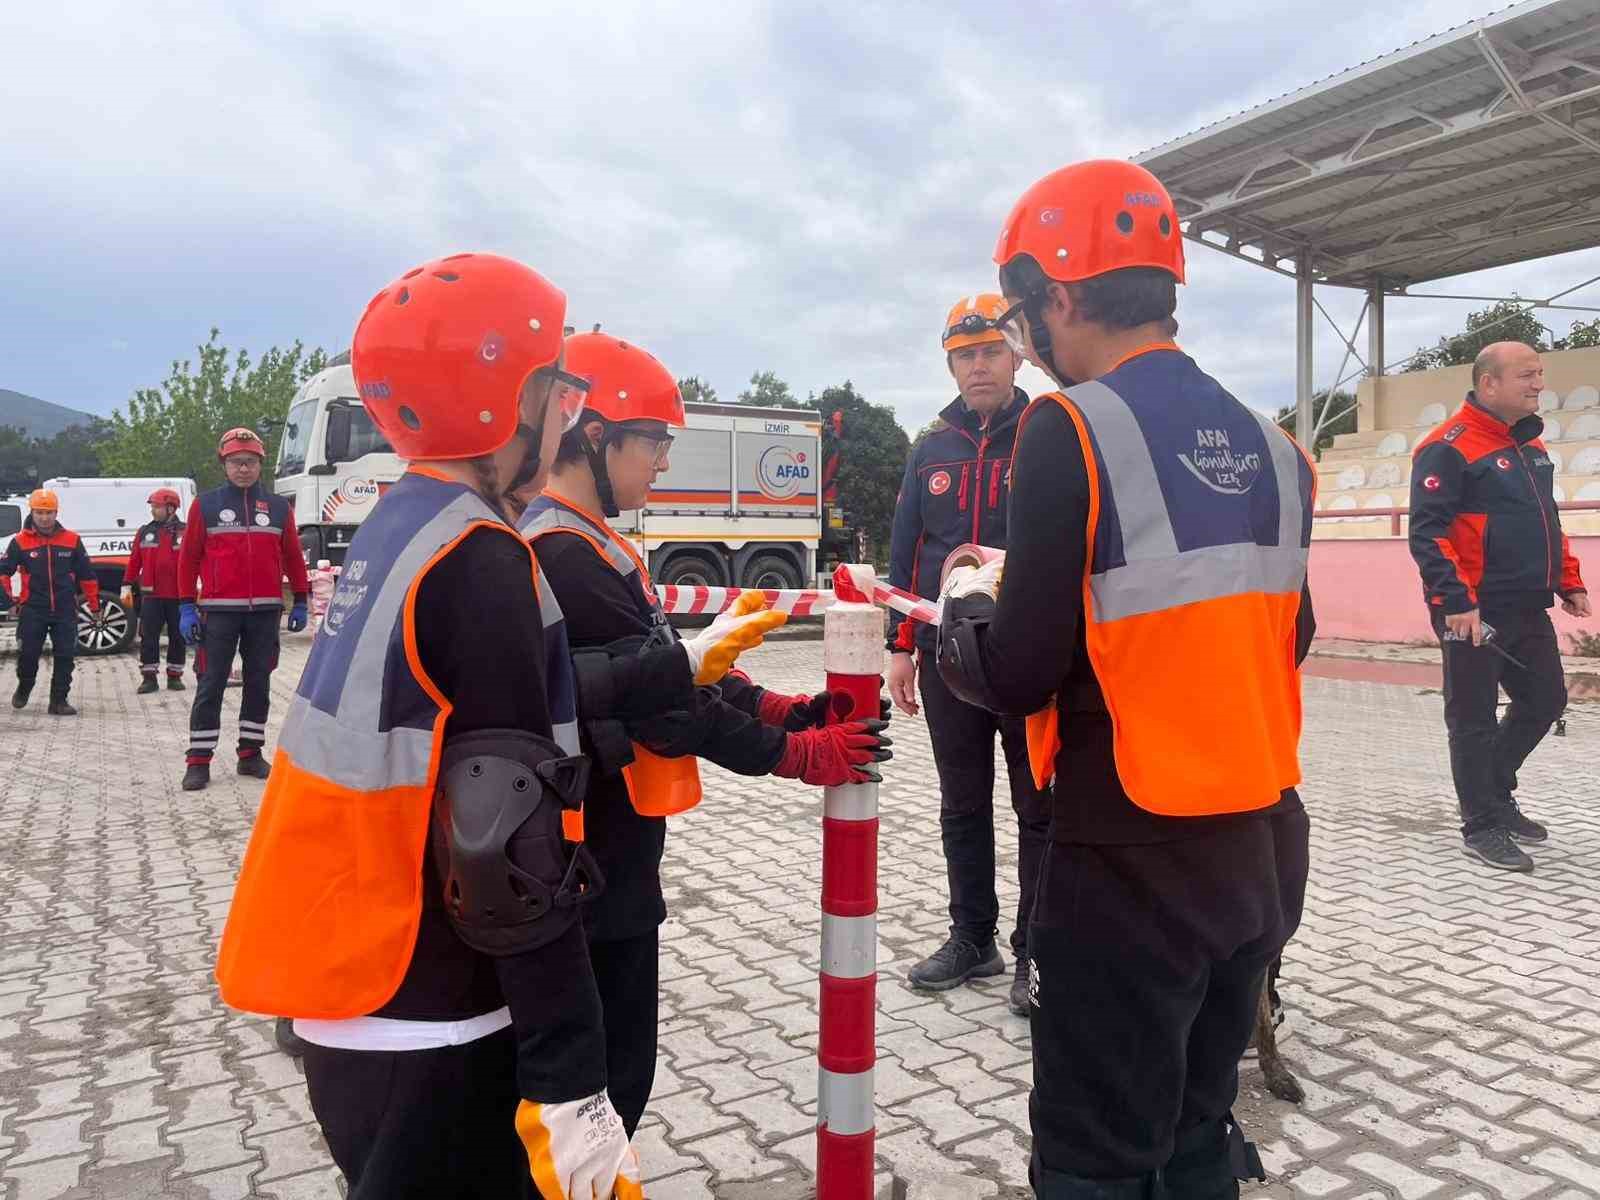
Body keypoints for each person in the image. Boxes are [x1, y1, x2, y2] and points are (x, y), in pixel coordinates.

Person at [215, 254, 784, 1199]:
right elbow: (506, 845)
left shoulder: (408, 522)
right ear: (499, 398)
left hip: (348, 965)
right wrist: (571, 1082)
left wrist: (680, 664)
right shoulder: (481, 557)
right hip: (423, 993)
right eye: (553, 386)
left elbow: (497, 708)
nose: (566, 411)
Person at [936, 159, 1316, 1198]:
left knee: (1095, 1152)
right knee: (1197, 1129)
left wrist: (965, 604)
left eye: (1020, 320)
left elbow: (1016, 675)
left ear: (1058, 295)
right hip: (1261, 848)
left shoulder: (1071, 426)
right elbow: (1293, 632)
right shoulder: (1278, 449)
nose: (1024, 346)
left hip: (1126, 852)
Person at [521, 330, 892, 1137]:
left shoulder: (594, 540)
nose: (661, 463)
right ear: (594, 434)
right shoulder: (562, 553)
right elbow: (663, 707)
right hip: (592, 855)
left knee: (622, 1071)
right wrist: (795, 755)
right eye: (652, 442)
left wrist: (777, 708)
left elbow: (666, 664)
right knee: (612, 1080)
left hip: (614, 846)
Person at [887, 293, 1050, 1014]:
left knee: (1037, 806)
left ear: (1015, 354)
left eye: (989, 350)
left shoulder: (1048, 431)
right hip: (945, 654)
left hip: (1025, 652)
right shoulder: (931, 448)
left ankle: (1035, 952)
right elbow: (908, 553)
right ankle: (971, 938)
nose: (978, 366)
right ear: (949, 363)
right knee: (962, 804)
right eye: (964, 355)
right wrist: (902, 648)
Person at [1408, 341, 1588, 873]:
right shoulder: (1447, 446)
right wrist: (1455, 600)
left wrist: (1567, 580)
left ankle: (1494, 789)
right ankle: (1481, 823)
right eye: (1527, 375)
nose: (1538, 383)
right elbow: (1427, 532)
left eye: (1540, 374)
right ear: (1489, 383)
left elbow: (1546, 522)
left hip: (1526, 605)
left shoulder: (1531, 448)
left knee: (1545, 699)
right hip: (1471, 609)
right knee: (1474, 716)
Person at [177, 428, 310, 791]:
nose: (243, 469)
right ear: (225, 465)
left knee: (258, 683)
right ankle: (198, 760)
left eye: (250, 462)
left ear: (260, 464)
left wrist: (300, 598)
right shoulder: (204, 505)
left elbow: (293, 557)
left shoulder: (280, 508)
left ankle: (250, 755)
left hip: (266, 612)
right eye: (236, 462)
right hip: (219, 612)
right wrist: (186, 606)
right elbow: (188, 559)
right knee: (211, 684)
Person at [0, 488, 99, 715]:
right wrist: (10, 599)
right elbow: (3, 572)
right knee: (28, 655)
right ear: (32, 513)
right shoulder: (19, 541)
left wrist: (94, 606)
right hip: (33, 609)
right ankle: (25, 687)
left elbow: (87, 575)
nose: (44, 518)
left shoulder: (72, 540)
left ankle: (58, 701)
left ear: (56, 513)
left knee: (66, 656)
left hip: (65, 609)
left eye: (49, 513)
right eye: (40, 513)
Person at [122, 487, 188, 693]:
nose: (153, 511)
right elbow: (135, 560)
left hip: (179, 595)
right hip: (152, 596)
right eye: (153, 506)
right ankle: (149, 678)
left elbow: (197, 559)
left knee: (178, 636)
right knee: (149, 636)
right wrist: (126, 583)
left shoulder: (186, 531)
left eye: (157, 507)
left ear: (171, 508)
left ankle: (175, 676)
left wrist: (201, 585)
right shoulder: (145, 532)